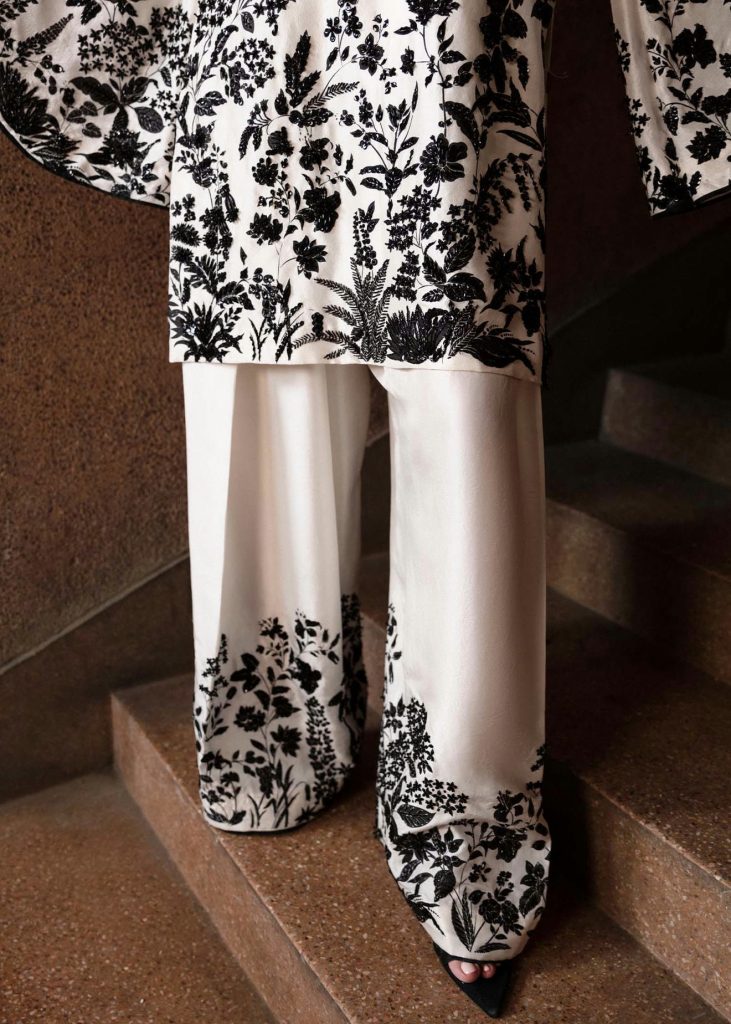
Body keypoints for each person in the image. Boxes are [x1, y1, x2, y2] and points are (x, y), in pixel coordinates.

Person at [1, 1, 553, 1017]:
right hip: (251, 32)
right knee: (258, 369)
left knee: (463, 385)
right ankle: (276, 733)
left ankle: (467, 823)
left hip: (450, 33)